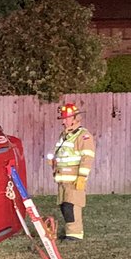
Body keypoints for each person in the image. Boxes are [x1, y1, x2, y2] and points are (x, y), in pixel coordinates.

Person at [48, 102, 96, 241]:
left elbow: (87, 157)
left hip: (74, 179)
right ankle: (70, 233)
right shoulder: (64, 135)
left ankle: (75, 234)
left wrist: (82, 176)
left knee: (72, 206)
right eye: (63, 118)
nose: (63, 121)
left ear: (75, 118)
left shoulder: (83, 136)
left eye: (66, 118)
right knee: (64, 206)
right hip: (62, 179)